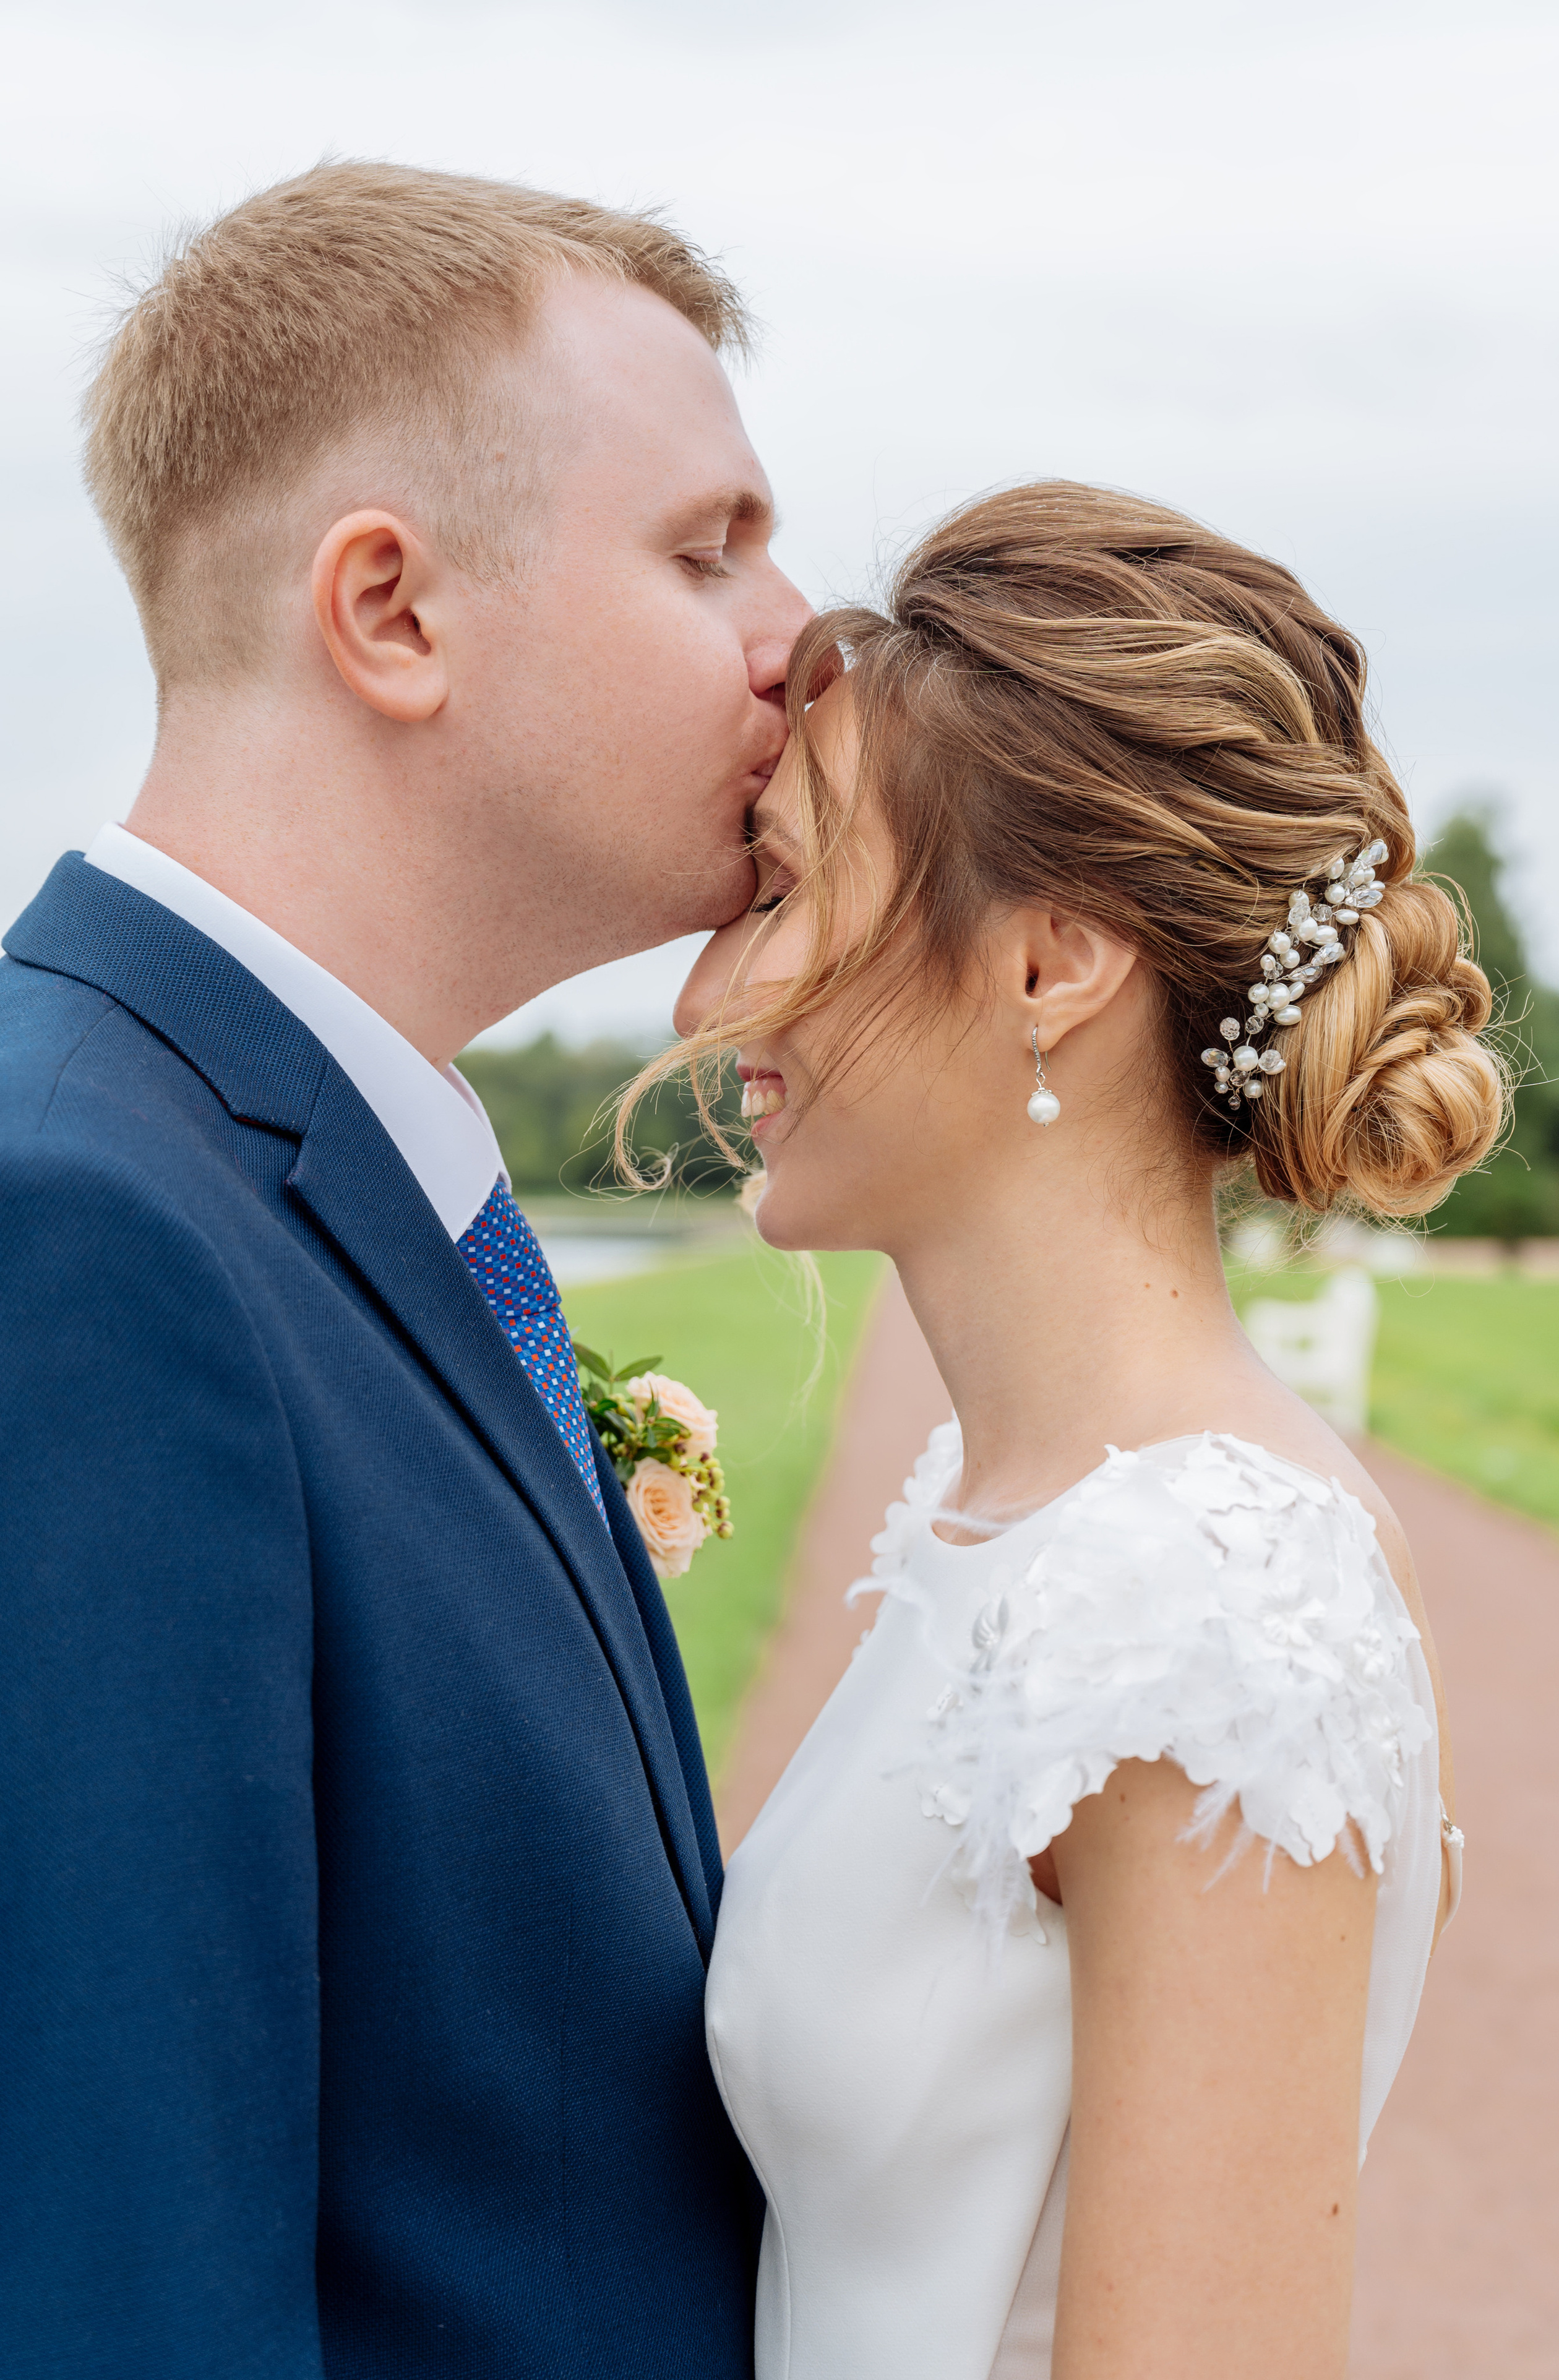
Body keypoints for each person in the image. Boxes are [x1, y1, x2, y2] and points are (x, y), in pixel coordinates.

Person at [0, 161, 809, 2376]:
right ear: (392, 612)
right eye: (704, 546)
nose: (797, 631)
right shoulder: (74, 1227)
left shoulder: (328, 1158)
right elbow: (121, 2278)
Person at [659, 483, 1501, 2379]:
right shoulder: (995, 1510)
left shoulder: (1206, 1594)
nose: (714, 1000)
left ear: (1052, 966)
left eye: (787, 892)